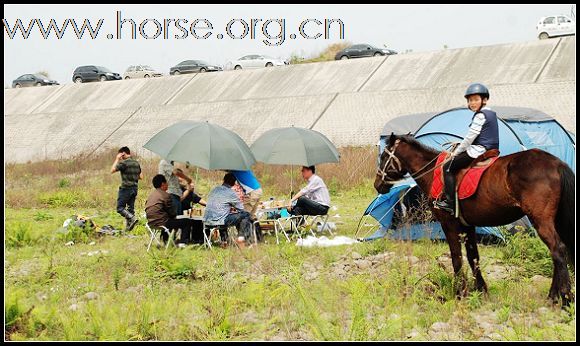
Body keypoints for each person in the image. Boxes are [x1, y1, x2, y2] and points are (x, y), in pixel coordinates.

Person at [434, 83, 499, 215]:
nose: (472, 103)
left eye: (476, 99)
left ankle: (450, 203)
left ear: (484, 100)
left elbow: (469, 138)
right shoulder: (491, 113)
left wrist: (455, 153)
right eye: (470, 100)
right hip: (491, 149)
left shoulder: (480, 115)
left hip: (479, 151)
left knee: (447, 167)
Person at [203, 173, 254, 245]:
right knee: (246, 215)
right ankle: (242, 239)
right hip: (219, 222)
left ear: (223, 180)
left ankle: (225, 241)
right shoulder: (231, 193)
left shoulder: (214, 189)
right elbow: (241, 209)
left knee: (223, 215)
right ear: (234, 183)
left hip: (206, 222)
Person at [145, 174, 197, 245]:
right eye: (166, 183)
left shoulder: (151, 195)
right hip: (162, 223)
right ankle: (183, 243)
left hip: (151, 223)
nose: (168, 185)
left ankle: (166, 240)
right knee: (186, 221)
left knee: (169, 220)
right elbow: (172, 213)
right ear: (163, 184)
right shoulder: (166, 195)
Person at [111, 146, 142, 231]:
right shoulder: (136, 163)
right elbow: (141, 177)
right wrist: (133, 176)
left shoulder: (123, 163)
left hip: (126, 188)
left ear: (123, 153)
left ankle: (132, 218)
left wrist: (117, 159)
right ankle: (128, 229)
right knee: (130, 208)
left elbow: (112, 170)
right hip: (135, 188)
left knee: (120, 208)